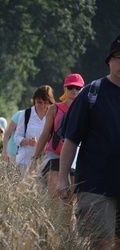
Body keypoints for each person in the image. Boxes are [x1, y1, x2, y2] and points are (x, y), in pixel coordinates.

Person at [57, 35, 120, 250]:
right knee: (102, 244)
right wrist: (63, 178)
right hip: (96, 185)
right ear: (108, 61)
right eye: (118, 58)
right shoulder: (92, 93)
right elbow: (71, 139)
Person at [32, 73, 84, 194]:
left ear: (83, 89)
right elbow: (45, 134)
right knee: (55, 193)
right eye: (70, 87)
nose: (74, 90)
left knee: (70, 200)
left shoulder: (86, 109)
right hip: (55, 153)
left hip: (76, 155)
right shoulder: (54, 108)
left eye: (78, 88)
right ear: (65, 88)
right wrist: (35, 157)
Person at [14, 85, 55, 175]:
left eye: (46, 103)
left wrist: (47, 145)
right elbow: (17, 136)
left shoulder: (53, 115)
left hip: (45, 162)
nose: (42, 106)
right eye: (39, 102)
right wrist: (27, 141)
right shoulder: (26, 114)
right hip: (25, 161)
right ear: (34, 100)